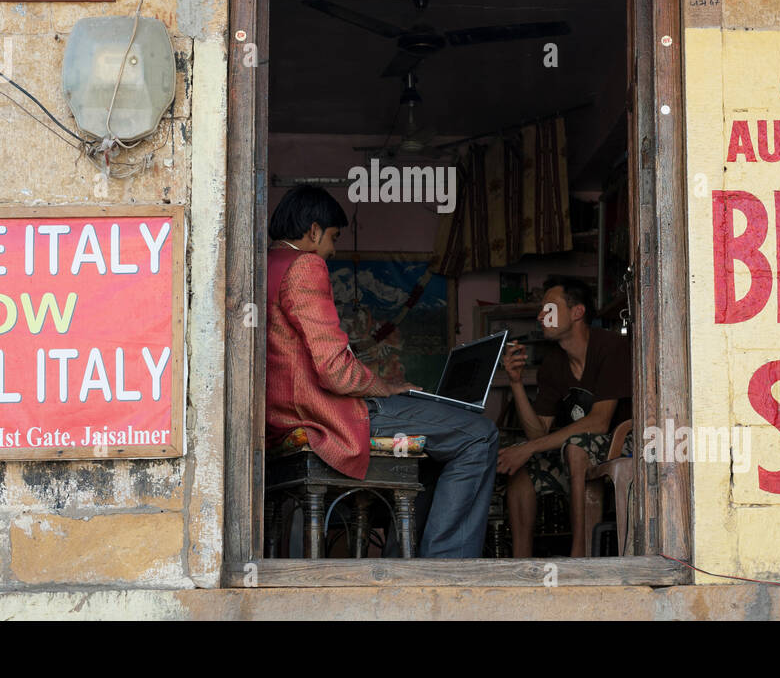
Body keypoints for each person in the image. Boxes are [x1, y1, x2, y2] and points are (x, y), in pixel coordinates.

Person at [265, 184, 499, 558]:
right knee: (479, 434)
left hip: (284, 416)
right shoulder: (305, 265)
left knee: (439, 450)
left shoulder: (263, 266)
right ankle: (445, 567)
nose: (332, 250)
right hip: (325, 416)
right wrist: (387, 387)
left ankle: (404, 567)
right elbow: (335, 373)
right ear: (312, 231)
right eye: (332, 238)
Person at [498, 276, 631, 557]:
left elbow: (599, 422)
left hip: (623, 446)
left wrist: (527, 448)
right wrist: (516, 382)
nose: (540, 316)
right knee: (522, 471)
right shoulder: (553, 363)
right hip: (576, 452)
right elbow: (538, 434)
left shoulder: (610, 347)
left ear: (577, 312)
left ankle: (580, 557)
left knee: (575, 447)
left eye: (550, 308)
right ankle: (520, 564)